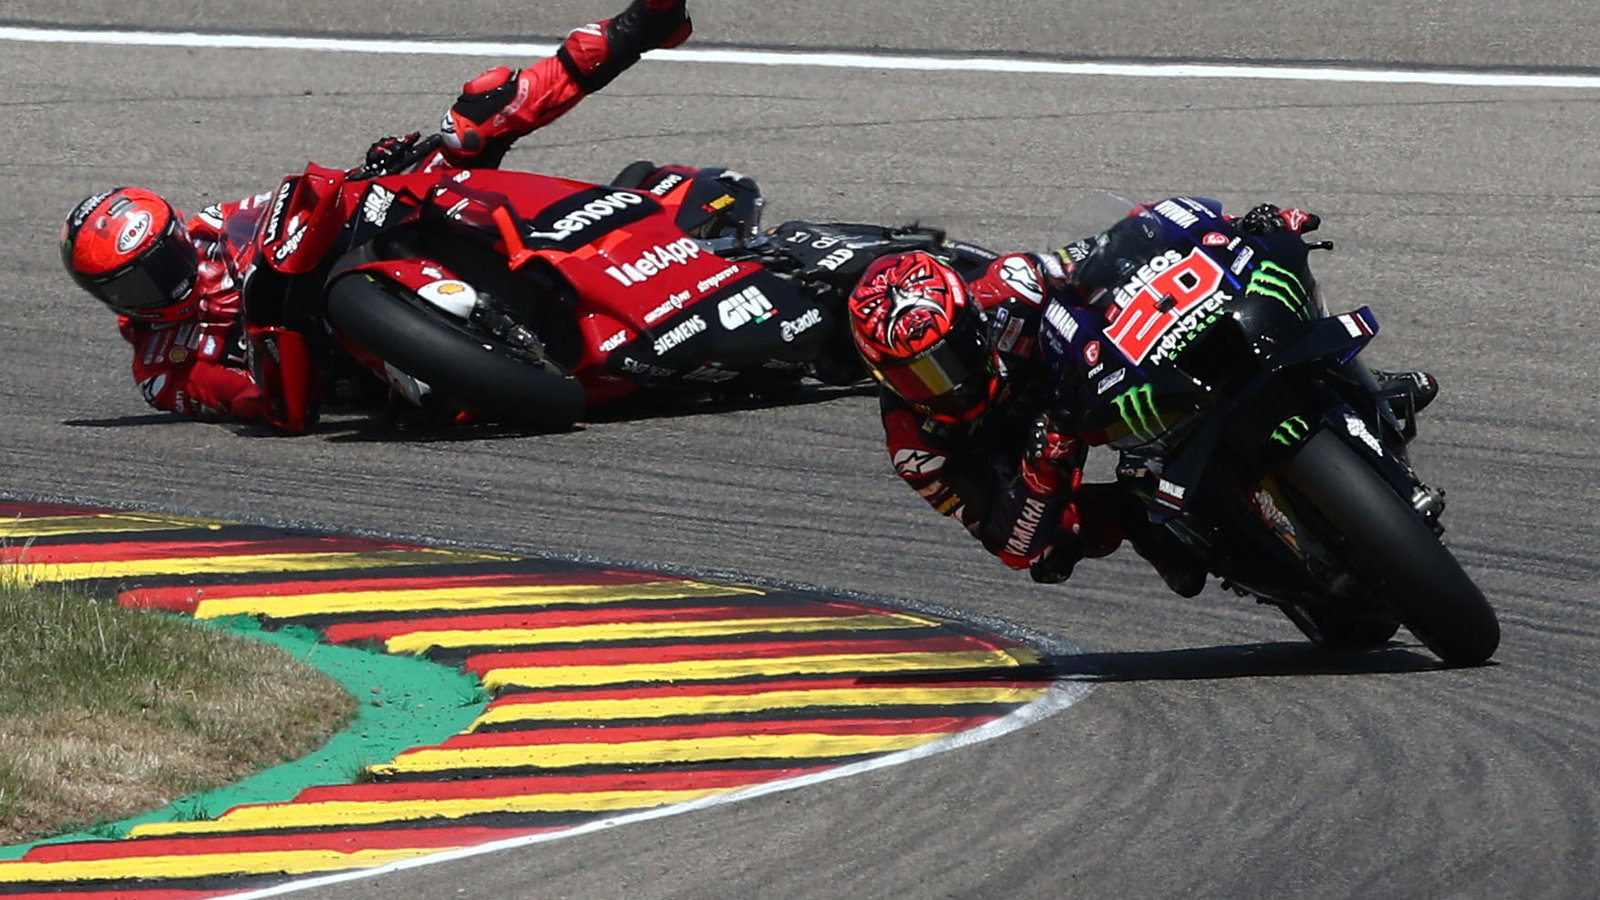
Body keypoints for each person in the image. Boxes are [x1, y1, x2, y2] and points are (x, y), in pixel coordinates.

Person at [58, 0, 691, 431]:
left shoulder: (213, 227)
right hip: (354, 370)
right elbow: (251, 403)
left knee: (473, 119)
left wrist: (371, 175)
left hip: (365, 266)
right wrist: (263, 366)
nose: (168, 279)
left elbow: (293, 221)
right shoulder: (163, 370)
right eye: (138, 282)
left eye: (164, 258)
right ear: (111, 298)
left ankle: (638, 28)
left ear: (174, 233)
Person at [845, 200, 1439, 596]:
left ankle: (1357, 383)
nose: (936, 387)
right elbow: (1012, 543)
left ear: (971, 323)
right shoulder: (917, 446)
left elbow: (1107, 250)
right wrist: (1045, 464)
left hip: (1092, 381)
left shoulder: (1008, 285)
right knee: (1058, 545)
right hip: (1035, 461)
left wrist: (1230, 228)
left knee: (1247, 310)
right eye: (912, 379)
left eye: (940, 365)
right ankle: (1157, 521)